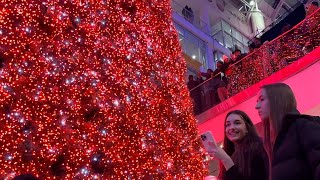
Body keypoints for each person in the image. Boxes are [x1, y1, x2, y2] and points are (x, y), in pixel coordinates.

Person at [255, 83, 320, 180]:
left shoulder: (303, 126)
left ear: (278, 100)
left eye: (262, 99)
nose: (257, 106)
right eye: (257, 101)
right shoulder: (273, 142)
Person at [208, 110, 269, 180]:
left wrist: (225, 159)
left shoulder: (259, 147)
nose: (231, 128)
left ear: (247, 128)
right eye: (228, 125)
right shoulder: (231, 153)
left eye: (237, 123)